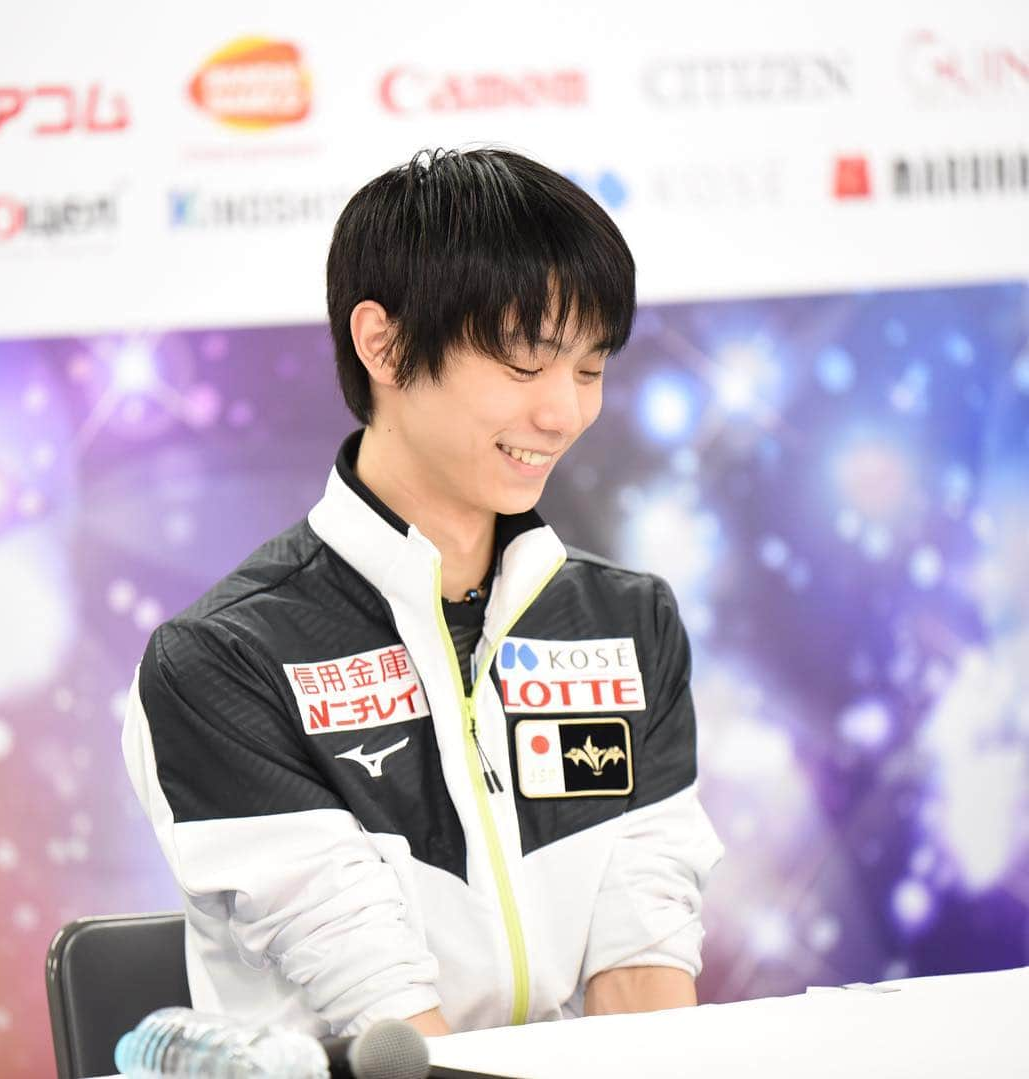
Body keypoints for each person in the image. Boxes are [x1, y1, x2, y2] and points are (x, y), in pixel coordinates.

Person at [122, 147, 723, 1040]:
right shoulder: (225, 660)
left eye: (590, 369)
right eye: (525, 365)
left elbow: (647, 970)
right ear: (385, 344)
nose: (564, 412)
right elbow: (392, 1029)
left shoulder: (629, 623)